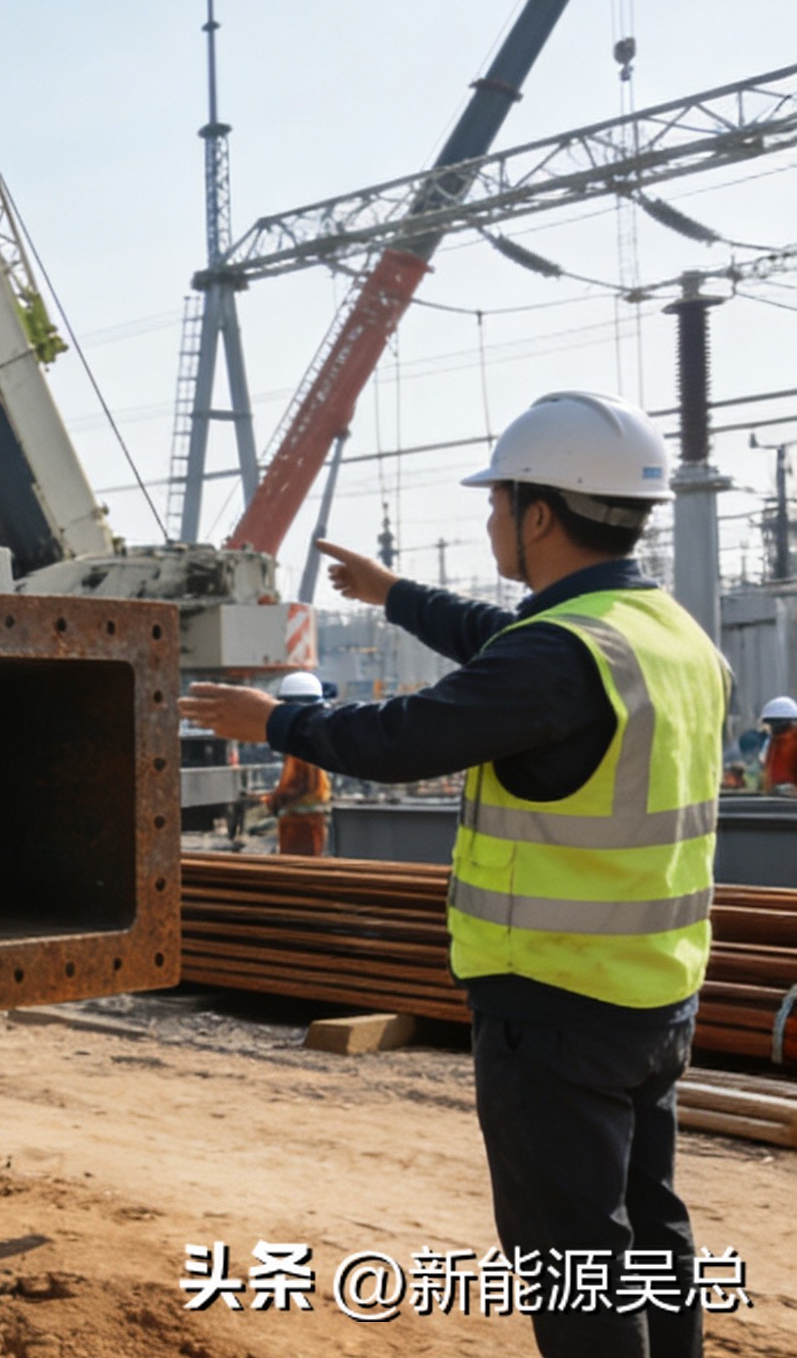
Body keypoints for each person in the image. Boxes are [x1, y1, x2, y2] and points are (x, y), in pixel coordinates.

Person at [181, 390, 726, 1358]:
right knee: (649, 1229)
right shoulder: (665, 633)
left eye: (496, 502)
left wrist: (276, 720)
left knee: (573, 1259)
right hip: (655, 994)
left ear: (539, 515)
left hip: (554, 1003)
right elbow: (505, 642)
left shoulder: (558, 658)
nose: (488, 520)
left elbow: (404, 737)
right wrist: (393, 592)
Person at [261, 672, 332, 855]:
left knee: (297, 867)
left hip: (299, 821)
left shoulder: (299, 746)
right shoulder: (315, 739)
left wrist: (276, 800)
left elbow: (301, 784)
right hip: (310, 818)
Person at [762, 695, 797, 795]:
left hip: (790, 801)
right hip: (773, 797)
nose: (771, 727)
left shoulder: (793, 740)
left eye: (773, 723)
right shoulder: (774, 742)